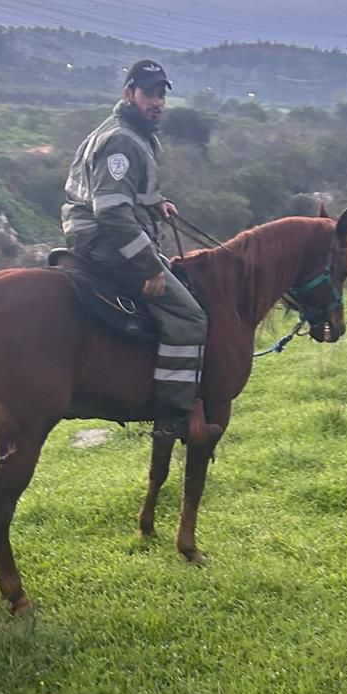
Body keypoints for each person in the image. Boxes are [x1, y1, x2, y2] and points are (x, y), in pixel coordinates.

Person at [61, 59, 221, 445]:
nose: (158, 102)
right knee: (190, 317)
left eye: (162, 94)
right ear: (128, 93)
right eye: (149, 93)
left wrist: (155, 203)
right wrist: (149, 267)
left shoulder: (135, 133)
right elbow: (113, 212)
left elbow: (127, 193)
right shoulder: (122, 140)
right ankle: (171, 415)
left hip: (98, 232)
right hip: (102, 239)